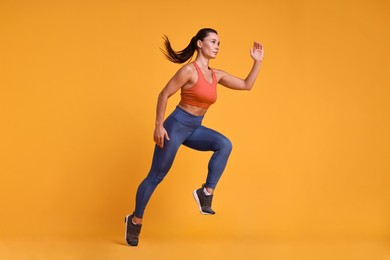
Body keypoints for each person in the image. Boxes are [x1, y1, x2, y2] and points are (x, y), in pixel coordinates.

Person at [125, 28, 264, 246]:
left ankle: (205, 192)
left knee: (224, 144)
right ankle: (135, 221)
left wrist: (257, 62)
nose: (217, 46)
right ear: (200, 44)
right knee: (156, 176)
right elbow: (164, 94)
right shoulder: (189, 71)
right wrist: (159, 126)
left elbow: (247, 85)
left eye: (219, 42)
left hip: (194, 128)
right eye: (213, 41)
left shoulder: (216, 75)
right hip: (175, 127)